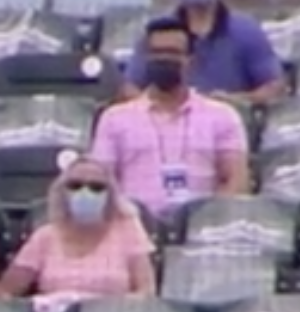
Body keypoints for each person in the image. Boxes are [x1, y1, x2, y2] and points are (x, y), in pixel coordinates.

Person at [93, 18, 253, 219]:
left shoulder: (222, 116)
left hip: (199, 229)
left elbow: (236, 180)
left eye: (173, 52)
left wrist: (206, 220)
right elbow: (103, 181)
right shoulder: (114, 118)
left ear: (190, 60)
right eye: (157, 52)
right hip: (133, 225)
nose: (164, 59)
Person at [119, 0, 285, 105]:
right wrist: (162, 106)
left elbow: (275, 86)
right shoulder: (161, 31)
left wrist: (236, 101)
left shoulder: (246, 32)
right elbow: (130, 87)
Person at [0, 158, 158, 301]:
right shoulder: (44, 237)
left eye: (96, 187)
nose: (85, 192)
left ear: (110, 194)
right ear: (62, 192)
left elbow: (146, 291)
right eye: (75, 185)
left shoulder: (128, 232)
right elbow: (4, 292)